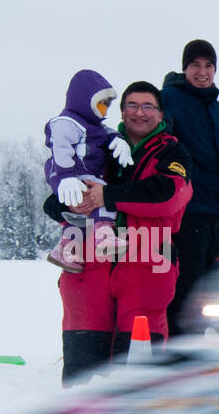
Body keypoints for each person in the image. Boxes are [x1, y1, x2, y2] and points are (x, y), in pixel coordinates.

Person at [45, 81, 193, 385]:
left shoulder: (173, 151)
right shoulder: (98, 144)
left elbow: (168, 195)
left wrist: (107, 196)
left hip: (146, 264)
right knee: (82, 369)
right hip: (88, 266)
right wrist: (64, 202)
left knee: (137, 371)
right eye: (131, 106)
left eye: (148, 106)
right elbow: (59, 192)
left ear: (161, 113)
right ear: (122, 112)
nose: (139, 112)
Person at [161, 39, 219, 334]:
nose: (202, 72)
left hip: (213, 214)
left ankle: (194, 351)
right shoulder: (169, 99)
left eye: (208, 66)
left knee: (208, 291)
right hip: (185, 213)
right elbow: (160, 147)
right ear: (185, 68)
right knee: (185, 289)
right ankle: (175, 355)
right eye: (195, 65)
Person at [42, 69, 133, 270]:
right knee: (100, 194)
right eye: (101, 104)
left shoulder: (93, 125)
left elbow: (106, 133)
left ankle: (66, 249)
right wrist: (66, 176)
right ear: (86, 100)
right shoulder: (67, 123)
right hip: (68, 173)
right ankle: (103, 236)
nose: (105, 110)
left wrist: (118, 140)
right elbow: (61, 148)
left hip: (79, 174)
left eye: (108, 105)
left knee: (81, 213)